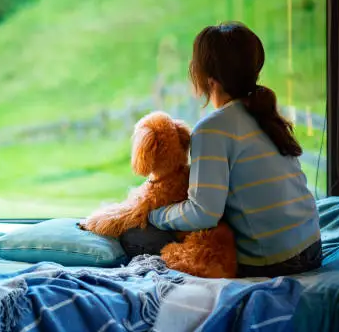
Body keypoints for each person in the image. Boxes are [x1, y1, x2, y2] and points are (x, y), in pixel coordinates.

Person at [120, 21, 322, 278]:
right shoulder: (264, 112)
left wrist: (154, 214)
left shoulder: (211, 130)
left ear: (206, 77)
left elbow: (203, 214)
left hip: (276, 261)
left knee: (134, 236)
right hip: (313, 247)